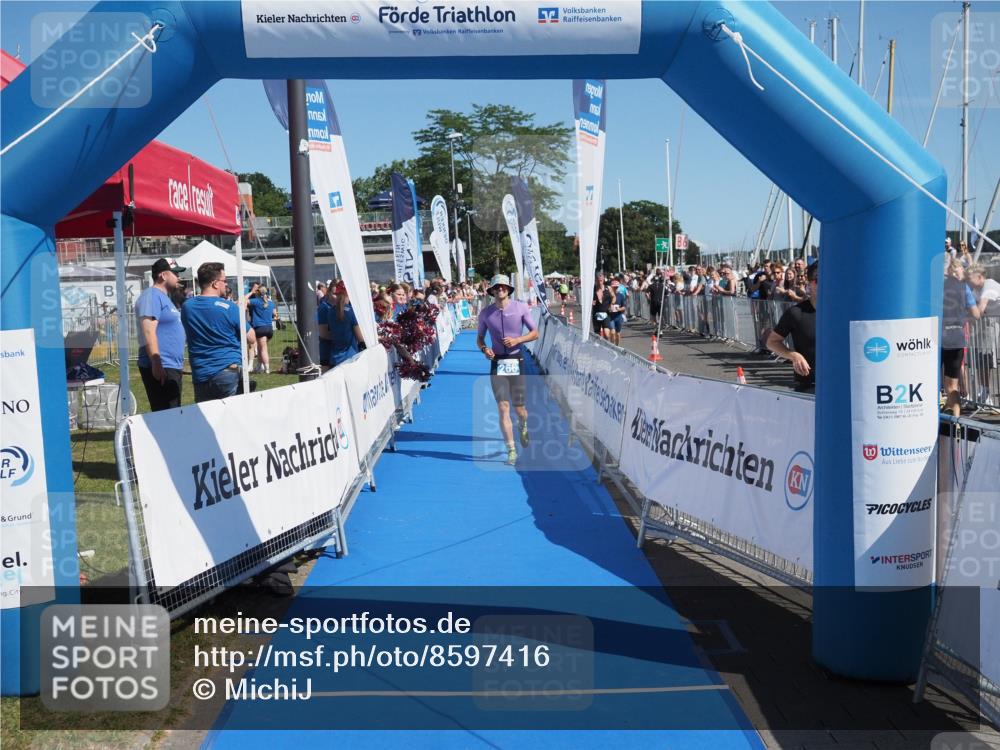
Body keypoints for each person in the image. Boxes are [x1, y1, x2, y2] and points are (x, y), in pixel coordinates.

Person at [477, 274, 539, 466]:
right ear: (493, 291)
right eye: (497, 287)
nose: (500, 289)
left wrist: (517, 340)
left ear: (508, 289)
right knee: (503, 408)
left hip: (516, 360)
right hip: (497, 362)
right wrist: (484, 349)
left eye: (504, 286)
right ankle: (511, 450)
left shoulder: (520, 307)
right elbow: (479, 338)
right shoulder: (486, 313)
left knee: (519, 409)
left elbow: (535, 333)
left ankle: (523, 424)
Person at [181, 262, 256, 403]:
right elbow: (251, 337)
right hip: (226, 371)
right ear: (215, 283)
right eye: (224, 281)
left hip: (200, 373)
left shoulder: (187, 307)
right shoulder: (229, 308)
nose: (226, 284)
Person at [135, 257, 187, 411]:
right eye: (175, 273)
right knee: (167, 416)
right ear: (163, 275)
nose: (179, 277)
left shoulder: (164, 298)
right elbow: (148, 331)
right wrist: (157, 363)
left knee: (173, 413)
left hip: (169, 365)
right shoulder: (151, 296)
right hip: (161, 365)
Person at [766, 261, 818, 393]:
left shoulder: (843, 312)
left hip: (842, 383)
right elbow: (772, 342)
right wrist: (793, 355)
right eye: (818, 280)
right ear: (809, 283)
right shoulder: (796, 313)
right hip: (809, 384)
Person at [942, 261, 981, 417]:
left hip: (938, 337)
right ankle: (956, 419)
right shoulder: (964, 288)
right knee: (952, 385)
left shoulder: (938, 286)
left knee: (941, 383)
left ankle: (948, 417)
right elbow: (976, 314)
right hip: (957, 336)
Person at [326, 280, 365, 368]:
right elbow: (360, 338)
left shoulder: (330, 311)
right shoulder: (351, 312)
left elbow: (329, 332)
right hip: (350, 358)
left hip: (334, 358)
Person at [248, 285, 276, 373]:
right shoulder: (271, 303)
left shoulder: (255, 301)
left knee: (263, 348)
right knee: (260, 348)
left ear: (257, 293)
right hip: (269, 329)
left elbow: (243, 301)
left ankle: (267, 369)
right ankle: (259, 366)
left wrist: (251, 292)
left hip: (260, 328)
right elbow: (274, 313)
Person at [316, 283, 337, 372]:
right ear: (328, 292)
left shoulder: (339, 307)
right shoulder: (324, 307)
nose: (336, 297)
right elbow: (323, 334)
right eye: (334, 294)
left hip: (336, 350)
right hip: (326, 350)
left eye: (339, 294)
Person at [592, 275, 614, 340]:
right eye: (598, 280)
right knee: (597, 335)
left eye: (601, 280)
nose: (599, 282)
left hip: (606, 313)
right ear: (596, 280)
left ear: (603, 280)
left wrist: (612, 304)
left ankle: (607, 346)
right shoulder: (593, 289)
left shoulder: (608, 288)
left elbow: (613, 297)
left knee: (607, 334)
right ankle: (599, 347)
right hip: (596, 313)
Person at [608, 277, 627, 346]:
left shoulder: (621, 295)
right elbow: (605, 306)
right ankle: (612, 346)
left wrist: (619, 309)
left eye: (616, 287)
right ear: (611, 287)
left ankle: (617, 347)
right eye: (614, 287)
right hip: (610, 317)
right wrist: (609, 308)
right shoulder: (609, 296)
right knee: (612, 332)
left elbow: (624, 307)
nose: (615, 288)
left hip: (618, 316)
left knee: (618, 334)